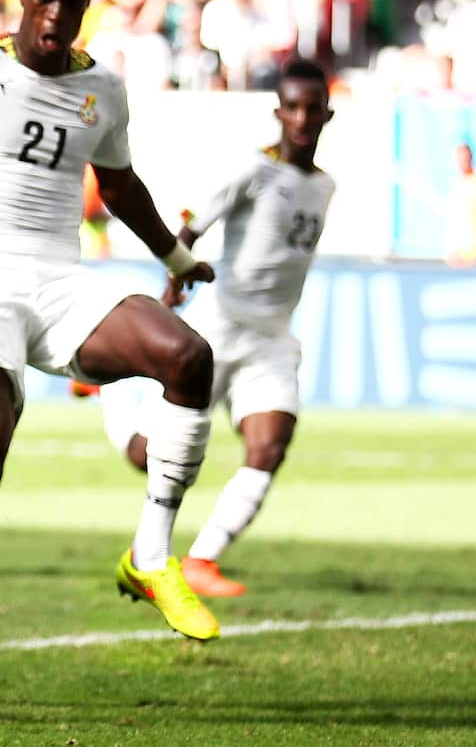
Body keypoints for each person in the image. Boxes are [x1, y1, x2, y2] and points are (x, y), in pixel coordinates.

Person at [0, 0, 219, 711]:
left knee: (190, 357)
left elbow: (121, 186)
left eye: (72, 4)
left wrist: (177, 260)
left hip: (62, 284)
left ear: (86, 4)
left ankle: (151, 556)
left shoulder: (103, 88)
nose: (56, 16)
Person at [98, 59, 335, 598]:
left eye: (312, 109)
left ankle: (201, 560)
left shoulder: (326, 185)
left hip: (272, 338)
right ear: (279, 113)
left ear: (327, 115)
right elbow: (193, 224)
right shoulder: (253, 170)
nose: (302, 118)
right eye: (292, 108)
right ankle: (107, 391)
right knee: (149, 458)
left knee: (269, 448)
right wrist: (178, 272)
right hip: (219, 326)